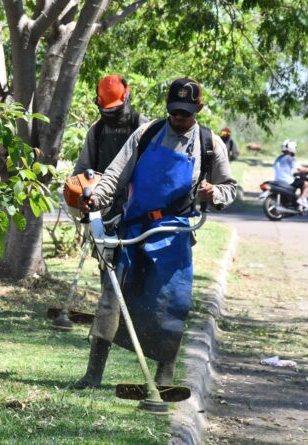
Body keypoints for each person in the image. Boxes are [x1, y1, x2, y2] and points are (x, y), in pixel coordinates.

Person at [76, 78, 237, 388]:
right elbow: (114, 177)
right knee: (112, 296)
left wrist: (213, 193)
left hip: (174, 234)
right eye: (174, 112)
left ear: (199, 109)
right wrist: (96, 196)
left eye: (186, 114)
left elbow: (229, 189)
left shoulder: (209, 144)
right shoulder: (146, 134)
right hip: (133, 228)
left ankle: (164, 381)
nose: (179, 119)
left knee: (172, 301)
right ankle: (93, 375)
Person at [73, 74, 149, 219]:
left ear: (126, 97)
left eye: (116, 110)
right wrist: (80, 197)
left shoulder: (142, 126)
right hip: (102, 207)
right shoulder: (97, 131)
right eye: (109, 111)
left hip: (138, 209)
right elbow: (81, 170)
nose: (113, 115)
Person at [273, 139, 308, 208]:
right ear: (292, 148)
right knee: (306, 184)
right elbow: (301, 169)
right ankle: (302, 200)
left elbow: (284, 170)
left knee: (299, 181)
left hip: (277, 180)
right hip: (288, 181)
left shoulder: (278, 158)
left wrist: (296, 174)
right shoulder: (290, 158)